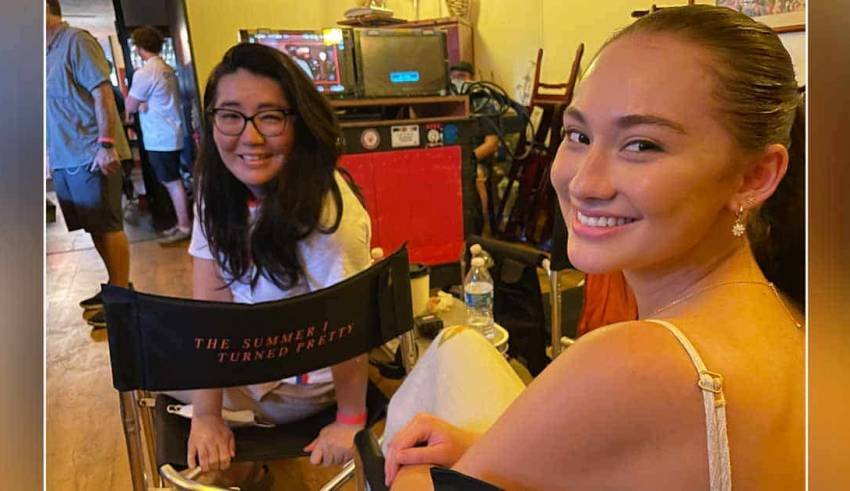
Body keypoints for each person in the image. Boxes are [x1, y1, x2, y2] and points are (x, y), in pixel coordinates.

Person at [384, 5, 805, 489]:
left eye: (642, 145)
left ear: (754, 177)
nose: (584, 182)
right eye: (578, 135)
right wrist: (489, 450)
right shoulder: (791, 311)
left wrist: (417, 472)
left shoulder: (635, 361)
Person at [178, 43, 373, 485]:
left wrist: (350, 419)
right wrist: (207, 415)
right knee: (153, 356)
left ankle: (246, 467)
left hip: (305, 382)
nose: (250, 138)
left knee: (157, 375)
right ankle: (246, 466)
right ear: (211, 120)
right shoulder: (216, 188)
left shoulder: (327, 210)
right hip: (248, 361)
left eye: (270, 117)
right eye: (230, 115)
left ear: (300, 122)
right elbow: (209, 308)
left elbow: (349, 324)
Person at [45, 0, 132, 329]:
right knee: (94, 226)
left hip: (92, 153)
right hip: (67, 155)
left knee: (108, 225)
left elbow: (102, 93)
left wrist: (106, 144)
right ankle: (116, 284)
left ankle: (122, 299)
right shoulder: (46, 54)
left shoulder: (77, 41)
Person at [126, 26, 192, 245]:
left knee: (172, 182)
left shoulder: (145, 73)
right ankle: (182, 224)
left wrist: (140, 104)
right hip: (172, 132)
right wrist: (144, 103)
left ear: (138, 47)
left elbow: (130, 106)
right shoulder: (167, 69)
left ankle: (184, 226)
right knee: (173, 180)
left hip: (159, 137)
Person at [450, 61, 500, 235]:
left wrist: (468, 159)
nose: (458, 81)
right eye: (454, 78)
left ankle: (482, 229)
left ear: (472, 79)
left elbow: (491, 143)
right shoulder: (447, 102)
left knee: (476, 174)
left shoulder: (485, 104)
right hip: (450, 159)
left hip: (475, 159)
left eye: (462, 77)